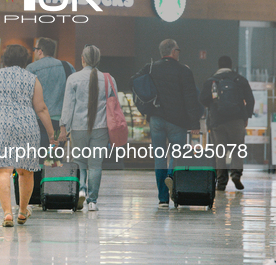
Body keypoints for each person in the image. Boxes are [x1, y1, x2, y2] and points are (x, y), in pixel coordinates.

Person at [0, 45, 56, 227]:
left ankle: (7, 214)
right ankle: (22, 211)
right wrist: (52, 134)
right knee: (25, 171)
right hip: (27, 125)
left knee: (3, 170)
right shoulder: (32, 78)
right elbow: (41, 108)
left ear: (5, 58)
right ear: (25, 60)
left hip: (2, 123)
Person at [130, 39, 201, 208]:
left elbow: (133, 81)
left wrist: (145, 108)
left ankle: (162, 199)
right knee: (176, 155)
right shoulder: (184, 71)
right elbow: (191, 99)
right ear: (174, 51)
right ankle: (170, 176)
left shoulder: (151, 67)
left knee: (159, 158)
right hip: (178, 121)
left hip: (156, 119)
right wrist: (194, 122)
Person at [59, 45, 114, 211]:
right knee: (96, 164)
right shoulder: (108, 79)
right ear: (98, 60)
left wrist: (63, 128)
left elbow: (68, 106)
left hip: (78, 127)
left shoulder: (74, 79)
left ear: (83, 59)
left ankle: (81, 189)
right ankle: (92, 201)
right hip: (101, 127)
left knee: (79, 161)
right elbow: (114, 106)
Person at [199, 56, 254, 191]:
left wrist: (213, 106)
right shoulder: (240, 80)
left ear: (219, 65)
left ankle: (221, 182)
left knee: (220, 152)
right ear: (231, 65)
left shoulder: (211, 80)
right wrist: (246, 116)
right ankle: (236, 175)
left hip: (217, 121)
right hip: (237, 120)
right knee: (237, 150)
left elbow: (202, 99)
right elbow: (250, 100)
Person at [26, 37, 75, 162]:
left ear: (40, 51)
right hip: (60, 124)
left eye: (35, 49)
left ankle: (39, 181)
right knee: (53, 160)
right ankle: (51, 181)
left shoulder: (31, 68)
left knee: (37, 159)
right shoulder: (67, 67)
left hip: (38, 122)